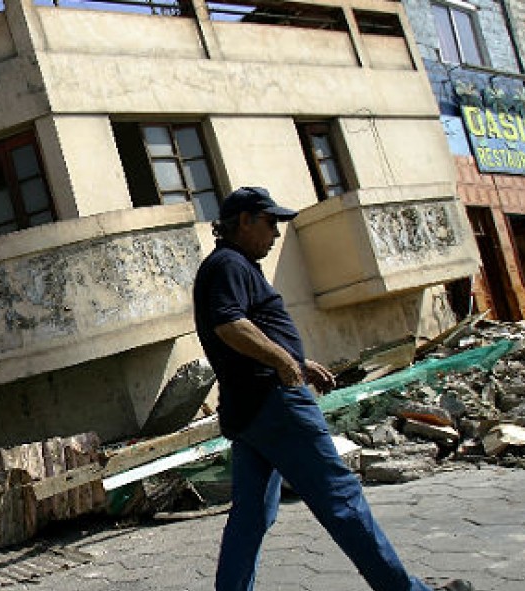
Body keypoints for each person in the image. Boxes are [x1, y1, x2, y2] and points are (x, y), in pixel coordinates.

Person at [193, 186, 473, 591]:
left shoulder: (234, 266)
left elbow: (246, 328)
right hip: (275, 406)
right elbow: (229, 324)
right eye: (270, 222)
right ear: (244, 221)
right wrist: (284, 361)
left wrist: (297, 362)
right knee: (341, 500)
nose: (275, 233)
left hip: (251, 410)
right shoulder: (228, 264)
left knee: (251, 514)